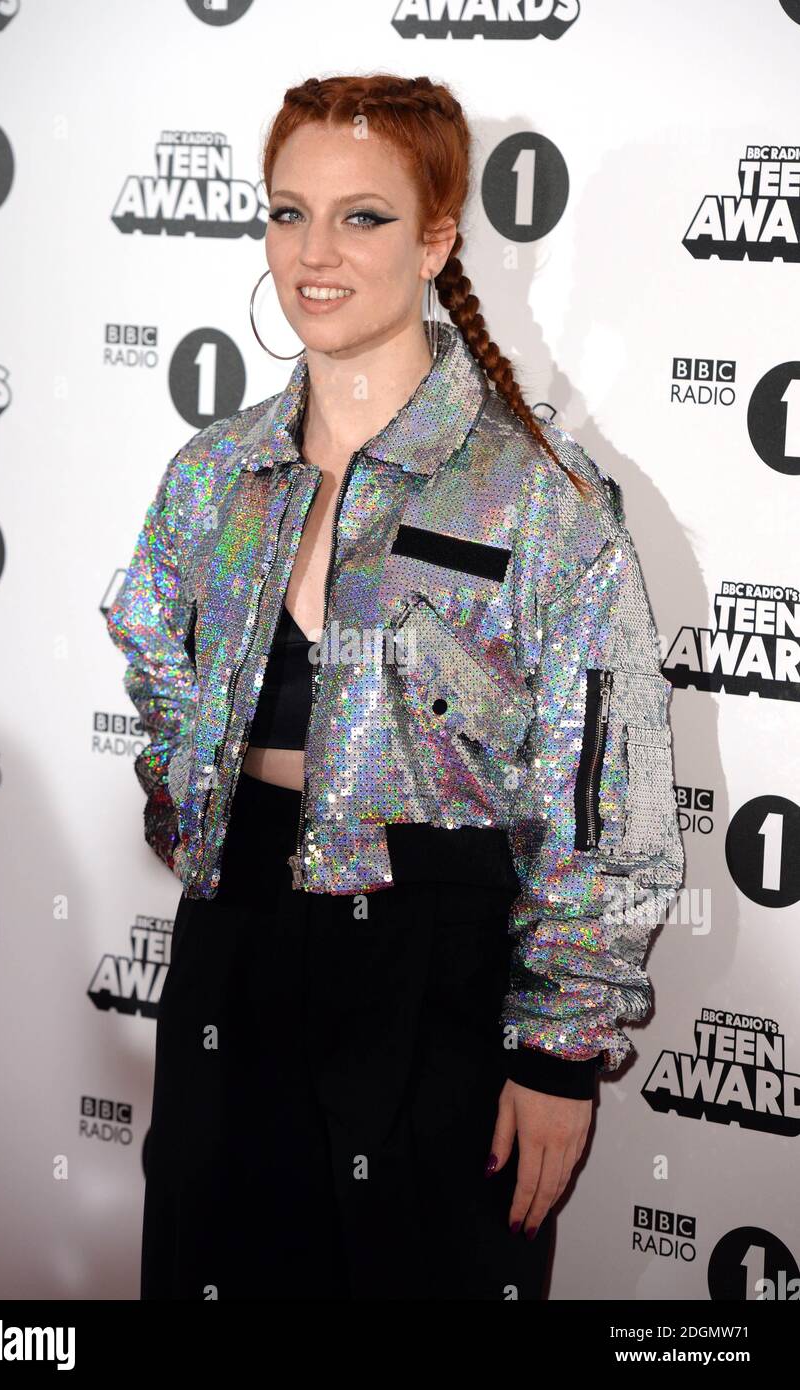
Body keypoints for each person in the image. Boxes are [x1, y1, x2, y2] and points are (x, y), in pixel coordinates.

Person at [105, 73, 685, 1301]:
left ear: (435, 237)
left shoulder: (543, 499)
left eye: (361, 217)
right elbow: (156, 670)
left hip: (439, 981)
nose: (313, 254)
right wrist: (200, 812)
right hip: (235, 948)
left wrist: (560, 1056)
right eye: (286, 213)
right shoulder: (213, 474)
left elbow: (602, 792)